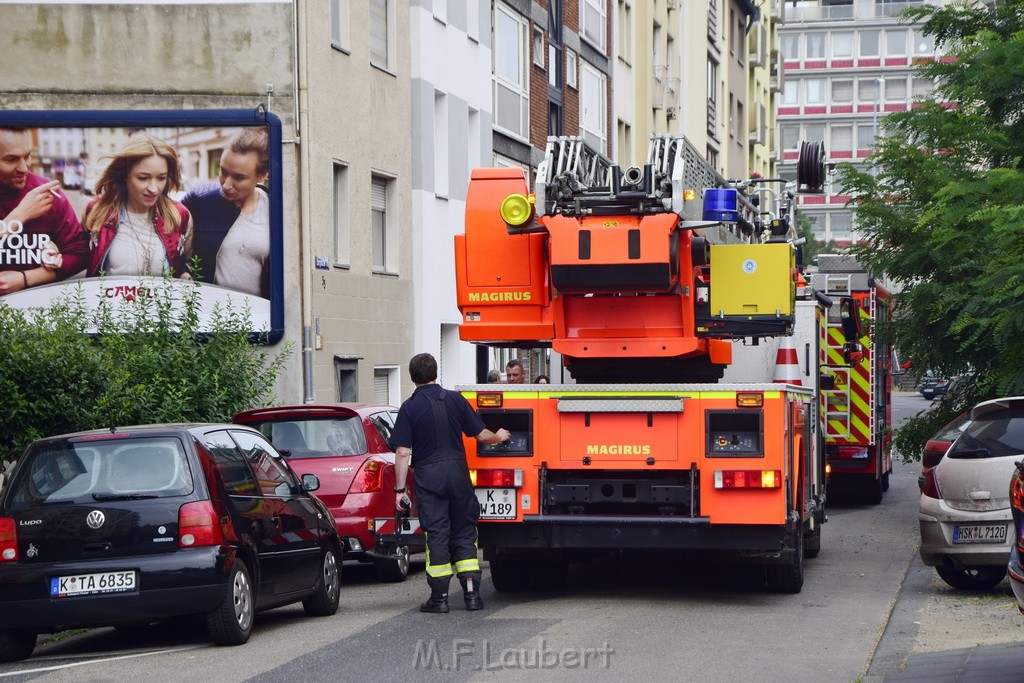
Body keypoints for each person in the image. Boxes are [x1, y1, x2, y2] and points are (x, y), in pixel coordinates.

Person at [390, 352, 510, 613]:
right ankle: (472, 596)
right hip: (458, 474)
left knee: (438, 533)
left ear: (413, 377)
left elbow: (402, 452)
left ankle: (440, 598)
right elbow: (481, 435)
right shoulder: (455, 400)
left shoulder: (409, 407)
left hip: (428, 477)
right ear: (436, 373)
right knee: (465, 530)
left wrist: (400, 491)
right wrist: (500, 436)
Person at [82, 133, 191, 278]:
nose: (153, 188)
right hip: (110, 300)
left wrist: (185, 276)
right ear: (125, 174)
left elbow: (186, 264)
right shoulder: (97, 212)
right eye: (143, 178)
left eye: (161, 178)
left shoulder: (179, 215)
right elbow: (78, 256)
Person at [183, 128, 270, 297]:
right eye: (223, 171)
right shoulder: (200, 200)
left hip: (257, 316)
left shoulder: (275, 209)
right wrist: (184, 277)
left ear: (261, 175)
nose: (226, 185)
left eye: (239, 177)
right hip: (208, 314)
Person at [0, 127, 88, 294]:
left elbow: (80, 254)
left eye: (27, 156)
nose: (24, 168)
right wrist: (18, 217)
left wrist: (24, 279)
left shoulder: (46, 194)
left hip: (38, 307)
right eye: (11, 159)